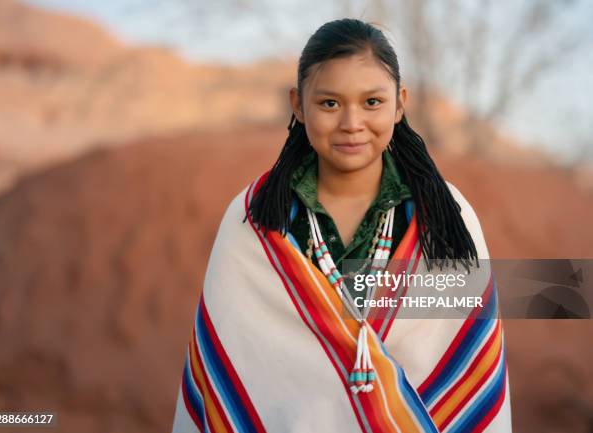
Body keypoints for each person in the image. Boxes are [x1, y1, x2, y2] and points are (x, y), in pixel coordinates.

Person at [171, 18, 512, 433]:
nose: (352, 122)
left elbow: (468, 361)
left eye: (372, 102)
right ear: (298, 104)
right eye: (330, 103)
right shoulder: (255, 218)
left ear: (400, 103)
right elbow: (230, 366)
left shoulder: (445, 217)